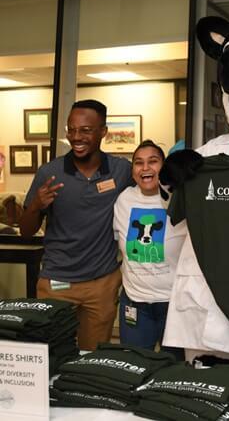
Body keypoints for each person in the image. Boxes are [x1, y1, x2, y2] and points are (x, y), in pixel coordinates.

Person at [19, 99, 132, 351]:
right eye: (71, 129)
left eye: (85, 130)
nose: (76, 137)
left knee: (92, 360)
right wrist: (37, 205)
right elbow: (26, 231)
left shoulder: (121, 171)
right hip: (57, 283)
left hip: (101, 283)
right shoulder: (50, 172)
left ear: (103, 131)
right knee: (50, 355)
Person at [113, 139, 185, 358]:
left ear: (164, 167)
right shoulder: (123, 200)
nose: (145, 168)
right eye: (138, 163)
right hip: (135, 303)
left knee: (173, 370)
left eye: (153, 162)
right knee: (134, 364)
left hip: (173, 304)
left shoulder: (179, 198)